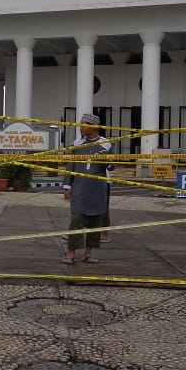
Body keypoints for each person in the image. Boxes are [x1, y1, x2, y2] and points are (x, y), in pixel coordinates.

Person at [62, 113, 112, 264]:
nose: (80, 128)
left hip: (97, 188)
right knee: (76, 220)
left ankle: (88, 254)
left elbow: (112, 166)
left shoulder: (106, 144)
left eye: (83, 125)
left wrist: (105, 160)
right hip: (79, 187)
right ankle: (71, 254)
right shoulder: (77, 144)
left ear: (93, 127)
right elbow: (70, 166)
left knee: (95, 221)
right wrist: (67, 186)